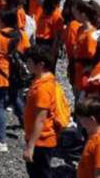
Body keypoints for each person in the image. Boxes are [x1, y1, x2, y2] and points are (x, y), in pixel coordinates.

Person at [0, 9, 30, 153]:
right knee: (15, 99)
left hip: (1, 75)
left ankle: (1, 141)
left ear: (2, 20)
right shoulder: (21, 34)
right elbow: (27, 52)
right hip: (16, 75)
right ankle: (27, 125)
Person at [23, 47, 61, 178]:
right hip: (40, 138)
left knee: (40, 174)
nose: (27, 64)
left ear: (41, 64)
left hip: (41, 140)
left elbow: (40, 120)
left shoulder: (42, 89)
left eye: (29, 62)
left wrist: (30, 146)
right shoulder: (44, 81)